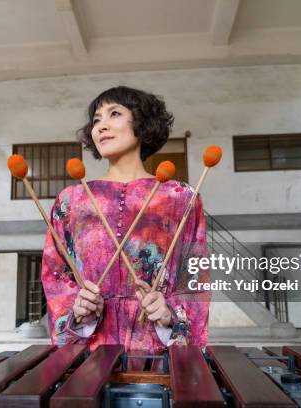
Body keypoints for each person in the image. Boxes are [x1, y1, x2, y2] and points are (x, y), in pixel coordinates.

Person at [41, 86, 210, 353]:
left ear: (142, 124)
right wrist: (79, 308)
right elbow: (55, 275)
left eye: (114, 114)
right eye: (96, 120)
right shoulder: (71, 200)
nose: (101, 127)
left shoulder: (180, 197)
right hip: (90, 351)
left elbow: (194, 277)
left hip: (157, 352)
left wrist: (169, 314)